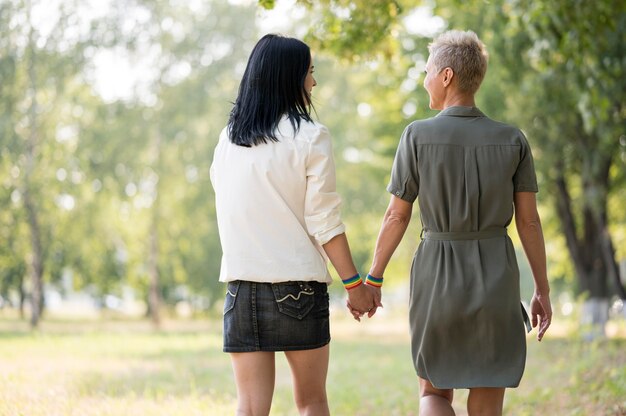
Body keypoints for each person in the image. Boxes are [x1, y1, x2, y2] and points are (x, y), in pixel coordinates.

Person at [361, 30, 552, 415]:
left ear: (446, 76)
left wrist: (374, 277)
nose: (425, 79)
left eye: (428, 71)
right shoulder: (513, 139)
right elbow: (529, 223)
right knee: (487, 393)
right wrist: (542, 291)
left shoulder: (416, 135)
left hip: (437, 276)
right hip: (496, 277)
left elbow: (397, 214)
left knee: (433, 394)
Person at [210, 34, 379, 416]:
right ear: (290, 78)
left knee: (250, 407)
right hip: (298, 289)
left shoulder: (228, 140)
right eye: (310, 73)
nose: (314, 83)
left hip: (241, 289)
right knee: (311, 402)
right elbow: (324, 220)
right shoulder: (311, 137)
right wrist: (355, 286)